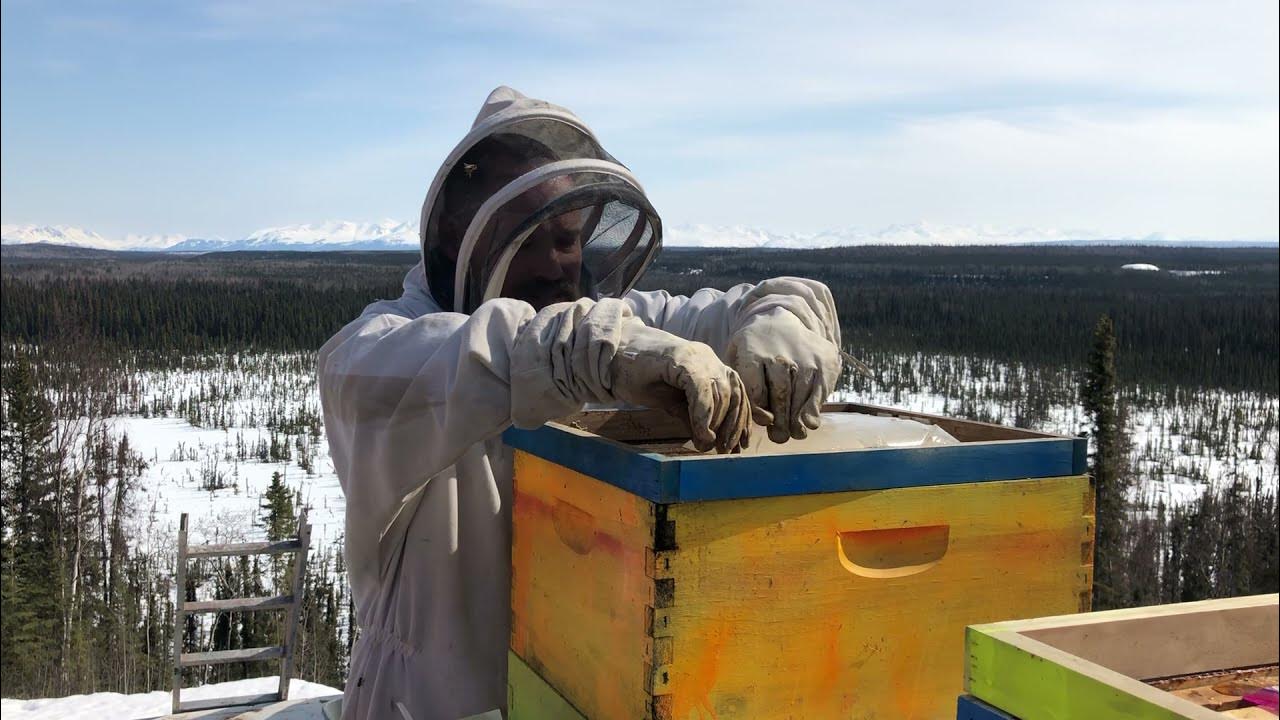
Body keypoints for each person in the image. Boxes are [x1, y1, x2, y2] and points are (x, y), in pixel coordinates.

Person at [317, 86, 843, 720]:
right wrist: (599, 355)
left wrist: (780, 321)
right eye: (526, 241)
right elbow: (484, 355)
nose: (552, 266)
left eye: (565, 240)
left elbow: (751, 302)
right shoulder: (382, 351)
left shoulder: (608, 325)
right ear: (461, 238)